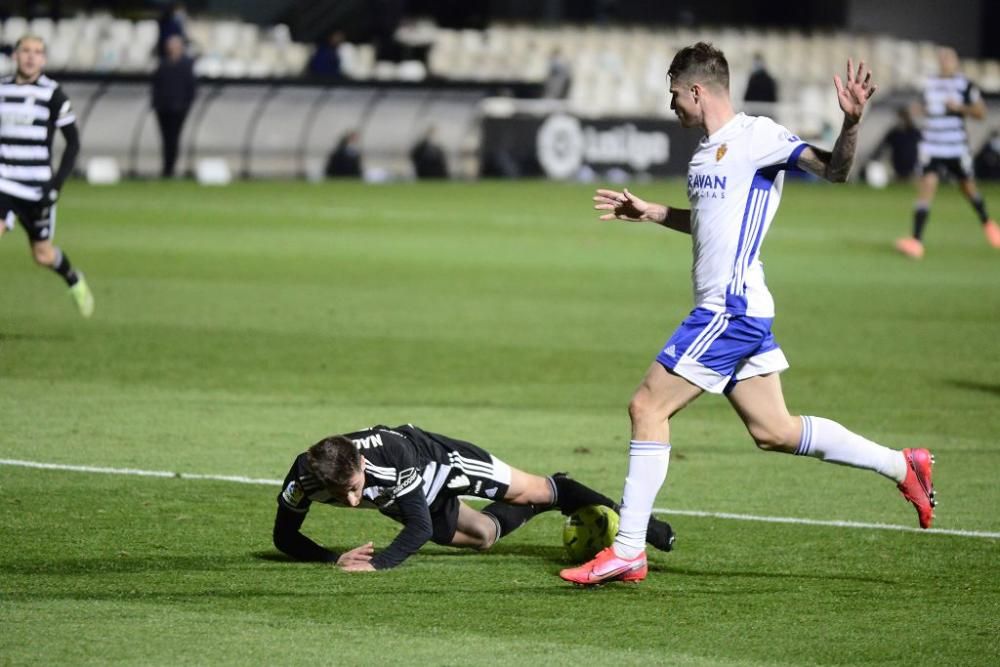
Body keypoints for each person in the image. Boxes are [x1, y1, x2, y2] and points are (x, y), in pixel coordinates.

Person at [560, 43, 935, 586]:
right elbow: (709, 223)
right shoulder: (703, 154)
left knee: (647, 406)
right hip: (738, 309)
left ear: (696, 91)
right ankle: (906, 466)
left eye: (673, 95)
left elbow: (835, 170)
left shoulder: (758, 137)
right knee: (775, 430)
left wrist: (850, 123)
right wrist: (652, 213)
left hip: (729, 309)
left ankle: (628, 549)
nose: (671, 107)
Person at [273, 423, 677, 571]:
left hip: (442, 461)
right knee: (483, 536)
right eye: (339, 496)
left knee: (532, 487)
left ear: (361, 462)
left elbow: (420, 526)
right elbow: (284, 538)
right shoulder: (304, 476)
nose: (352, 502)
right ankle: (553, 496)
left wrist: (378, 565)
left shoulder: (391, 453)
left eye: (355, 490)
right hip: (401, 494)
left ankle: (640, 525)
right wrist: (332, 558)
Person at [0, 34, 93, 317]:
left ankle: (73, 278)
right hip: (3, 182)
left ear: (44, 59)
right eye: (25, 50)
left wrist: (56, 186)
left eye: (37, 52)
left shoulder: (52, 94)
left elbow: (73, 142)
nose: (30, 56)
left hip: (37, 188)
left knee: (43, 255)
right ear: (15, 55)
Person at [895, 47, 999, 259]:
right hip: (932, 146)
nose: (944, 62)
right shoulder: (931, 84)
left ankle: (988, 223)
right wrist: (912, 111)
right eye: (941, 58)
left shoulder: (964, 85)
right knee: (926, 189)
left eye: (948, 58)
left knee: (968, 189)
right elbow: (923, 107)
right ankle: (916, 241)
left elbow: (981, 112)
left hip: (955, 147)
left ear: (956, 62)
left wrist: (960, 108)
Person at [151, 34, 196, 179]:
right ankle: (166, 168)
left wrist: (185, 104)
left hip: (178, 108)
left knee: (174, 139)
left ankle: (170, 168)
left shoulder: (186, 65)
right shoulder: (163, 64)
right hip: (163, 107)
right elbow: (156, 86)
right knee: (165, 139)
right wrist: (156, 103)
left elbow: (191, 87)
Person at [873, 106, 921, 181]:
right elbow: (883, 144)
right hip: (898, 162)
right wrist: (875, 156)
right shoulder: (894, 133)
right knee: (899, 179)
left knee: (910, 179)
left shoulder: (913, 131)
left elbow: (921, 141)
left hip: (911, 161)